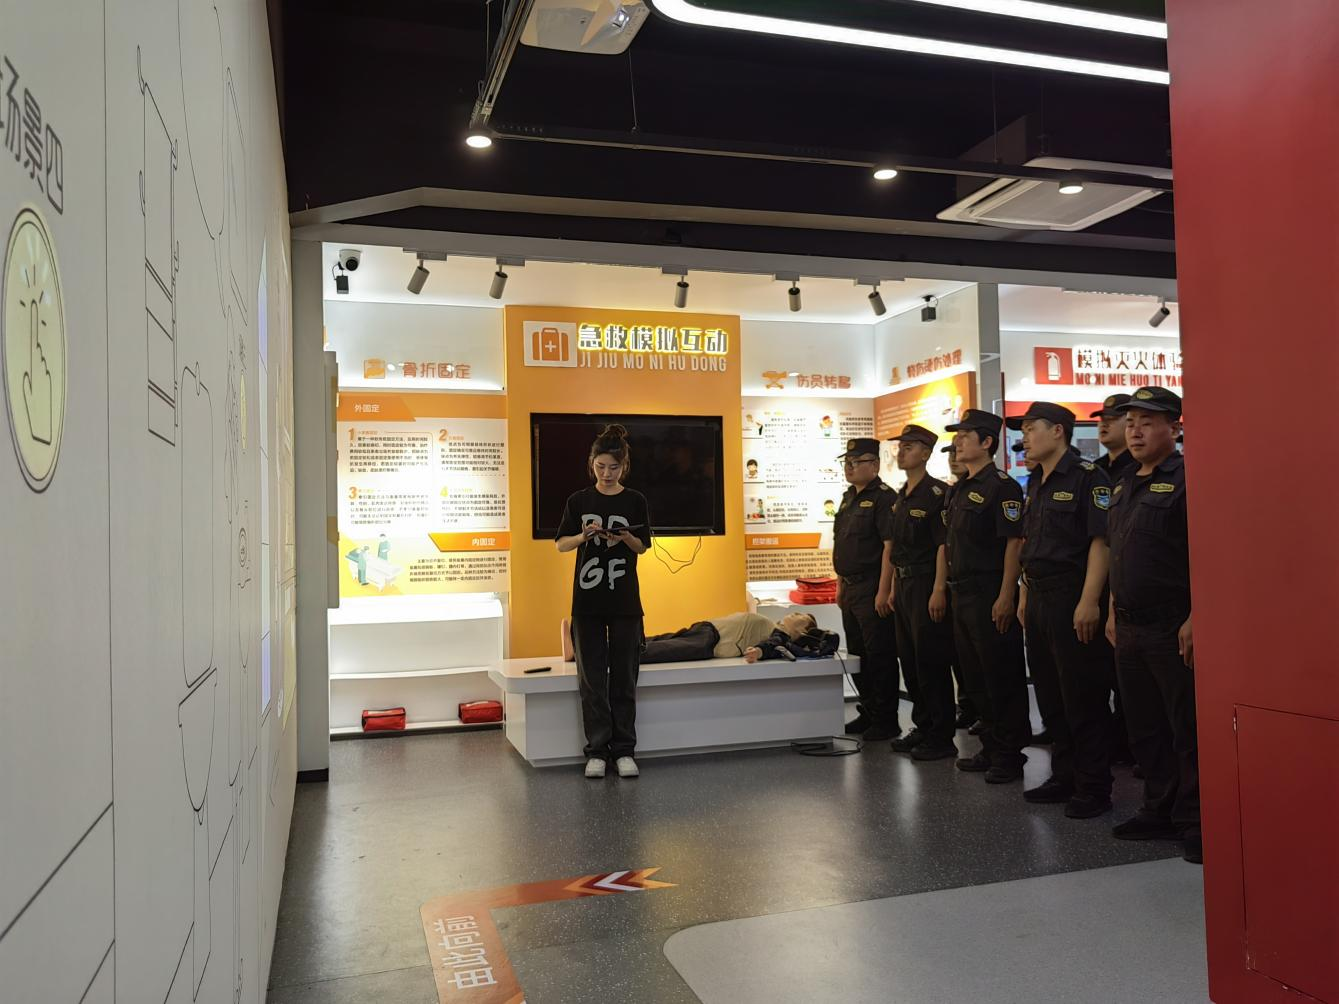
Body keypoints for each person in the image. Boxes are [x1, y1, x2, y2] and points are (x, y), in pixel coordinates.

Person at [1105, 387, 1200, 864]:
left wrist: (1197, 615)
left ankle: (1196, 821)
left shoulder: (1188, 479)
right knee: (1145, 727)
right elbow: (1118, 553)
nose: (1135, 431)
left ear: (1175, 428)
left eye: (1147, 422)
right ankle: (1158, 808)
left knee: (1186, 728)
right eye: (1131, 422)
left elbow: (1207, 554)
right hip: (1128, 627)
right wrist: (1111, 609)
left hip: (1170, 626)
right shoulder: (1123, 483)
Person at [1009, 402, 1116, 818]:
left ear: (1057, 431)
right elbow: (1030, 543)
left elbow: (1100, 542)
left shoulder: (1089, 478)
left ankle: (1094, 786)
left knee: (1082, 694)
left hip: (1072, 595)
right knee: (1051, 694)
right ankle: (1064, 774)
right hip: (1038, 596)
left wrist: (1090, 600)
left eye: (1030, 428)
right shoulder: (1036, 480)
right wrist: (1023, 593)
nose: (1024, 437)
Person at [555, 424, 653, 780]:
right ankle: (597, 751)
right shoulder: (579, 501)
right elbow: (561, 544)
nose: (607, 474)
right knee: (592, 680)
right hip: (587, 601)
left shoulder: (635, 500)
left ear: (623, 466)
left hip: (625, 599)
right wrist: (584, 536)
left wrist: (626, 538)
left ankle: (624, 751)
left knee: (624, 678)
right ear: (591, 464)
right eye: (600, 467)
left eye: (613, 467)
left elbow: (643, 547)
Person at [940, 410, 1030, 784]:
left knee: (1001, 675)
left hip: (989, 591)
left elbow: (1013, 542)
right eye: (957, 436)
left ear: (987, 442)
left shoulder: (1001, 486)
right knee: (975, 678)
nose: (958, 442)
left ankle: (1010, 753)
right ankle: (991, 746)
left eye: (965, 436)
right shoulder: (960, 487)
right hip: (961, 594)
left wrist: (1007, 593)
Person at [884, 424, 957, 761]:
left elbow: (943, 546)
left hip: (927, 582)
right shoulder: (903, 495)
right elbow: (897, 549)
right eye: (900, 447)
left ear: (925, 453)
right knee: (910, 660)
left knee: (931, 661)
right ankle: (923, 725)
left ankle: (941, 735)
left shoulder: (937, 493)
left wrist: (939, 589)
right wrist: (893, 588)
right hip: (904, 585)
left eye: (909, 447)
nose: (902, 452)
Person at [833, 437, 900, 743]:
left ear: (874, 465)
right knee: (858, 654)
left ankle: (886, 719)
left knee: (879, 655)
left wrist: (884, 590)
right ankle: (869, 711)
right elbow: (842, 545)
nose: (849, 467)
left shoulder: (884, 498)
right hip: (850, 588)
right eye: (846, 462)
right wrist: (839, 584)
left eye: (856, 462)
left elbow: (889, 547)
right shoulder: (849, 497)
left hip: (872, 585)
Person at [941, 442, 976, 731]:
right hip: (956, 585)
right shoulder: (953, 492)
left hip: (981, 586)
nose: (954, 459)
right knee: (960, 655)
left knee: (985, 661)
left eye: (957, 452)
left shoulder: (996, 487)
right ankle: (969, 706)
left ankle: (989, 720)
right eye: (950, 454)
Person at [1091, 394, 1136, 480]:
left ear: (1130, 422)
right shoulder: (1097, 467)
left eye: (1112, 418)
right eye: (1102, 419)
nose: (1104, 424)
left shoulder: (1140, 466)